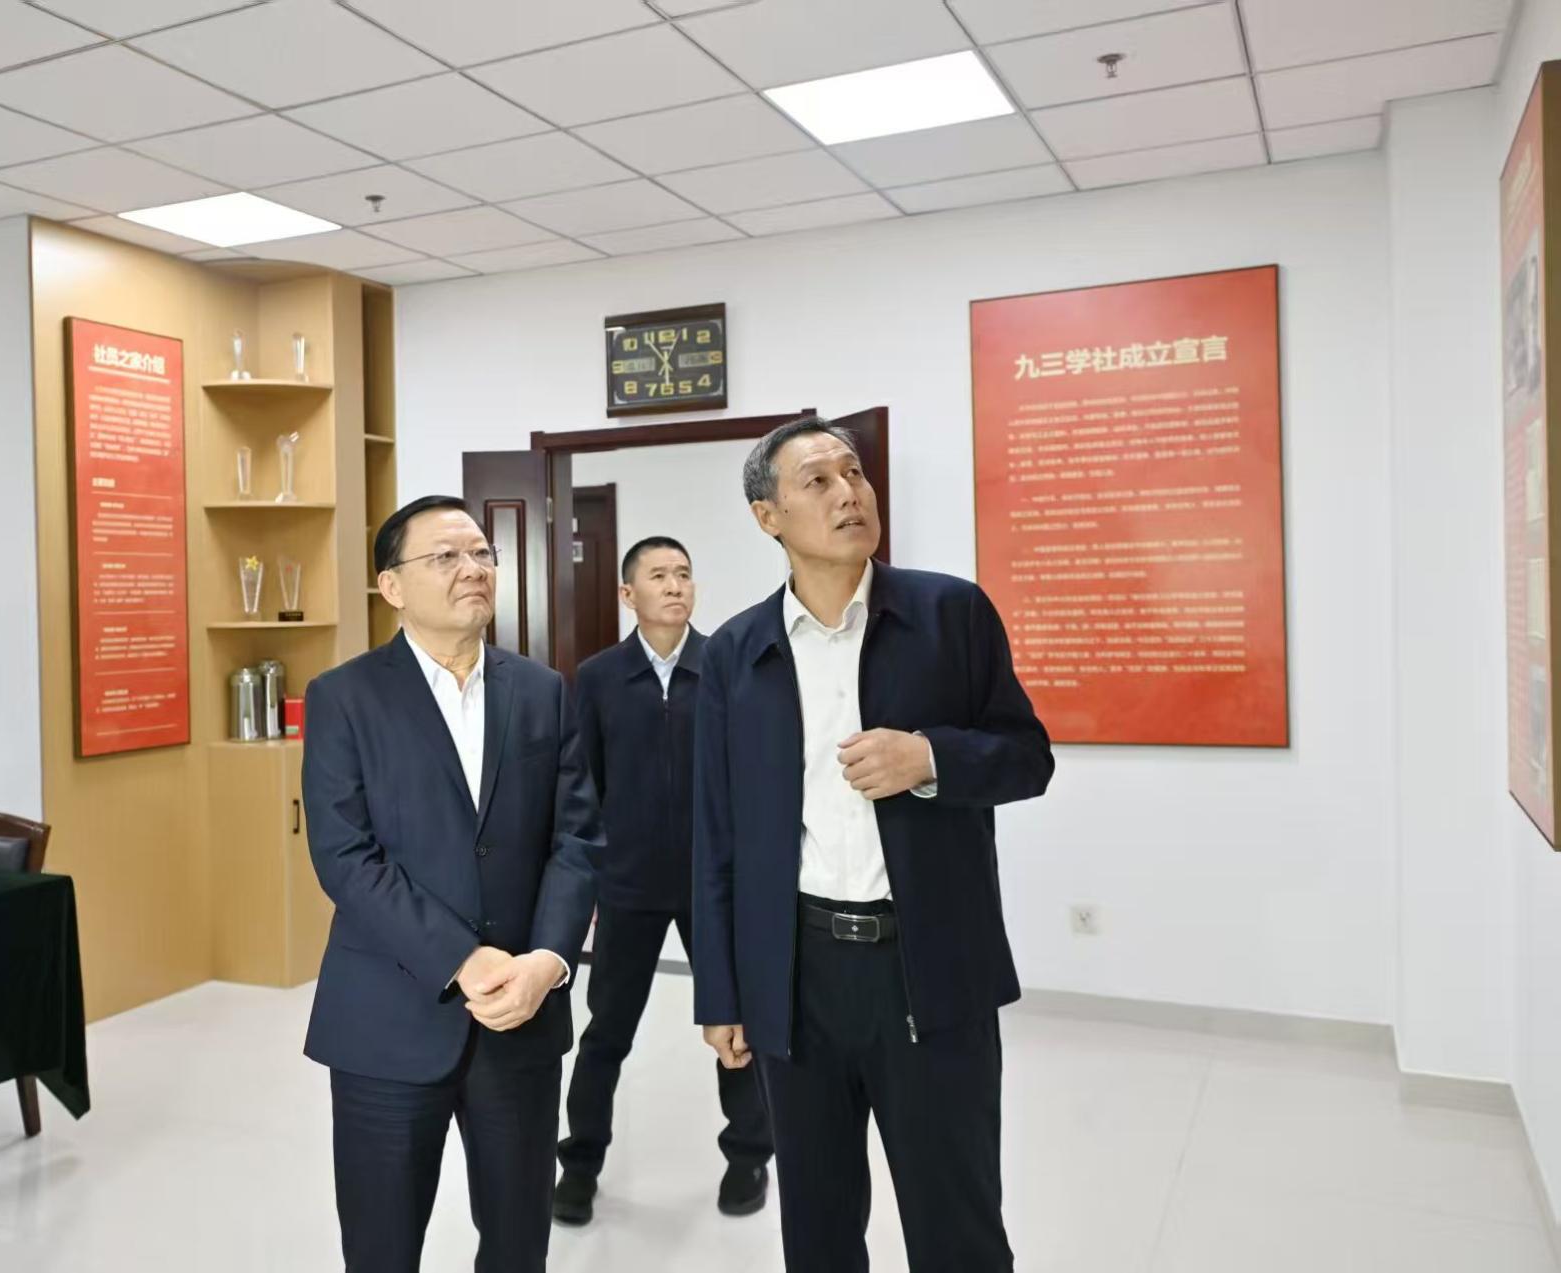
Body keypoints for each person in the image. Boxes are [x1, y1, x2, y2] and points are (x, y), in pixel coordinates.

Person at [690, 417, 1054, 1272]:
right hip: (797, 973)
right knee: (817, 1227)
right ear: (767, 516)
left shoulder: (949, 614)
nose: (848, 492)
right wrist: (722, 991)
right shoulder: (738, 651)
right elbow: (715, 834)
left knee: (957, 1225)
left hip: (928, 967)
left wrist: (930, 757)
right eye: (817, 480)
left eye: (854, 473)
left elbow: (1027, 756)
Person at [301, 494, 600, 1273]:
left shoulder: (541, 689)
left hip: (520, 1015)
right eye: (445, 556)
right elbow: (346, 857)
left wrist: (548, 960)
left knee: (517, 1244)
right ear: (392, 586)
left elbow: (576, 839)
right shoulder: (344, 697)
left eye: (481, 554)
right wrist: (463, 958)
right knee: (383, 1248)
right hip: (388, 1021)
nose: (472, 568)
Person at [553, 536, 771, 1226]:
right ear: (629, 594)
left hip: (715, 886)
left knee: (737, 1027)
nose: (675, 585)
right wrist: (589, 880)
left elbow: (749, 776)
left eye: (684, 574)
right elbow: (582, 787)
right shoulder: (598, 677)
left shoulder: (725, 666)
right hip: (628, 885)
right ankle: (579, 1165)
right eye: (658, 575)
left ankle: (749, 1156)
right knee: (606, 1034)